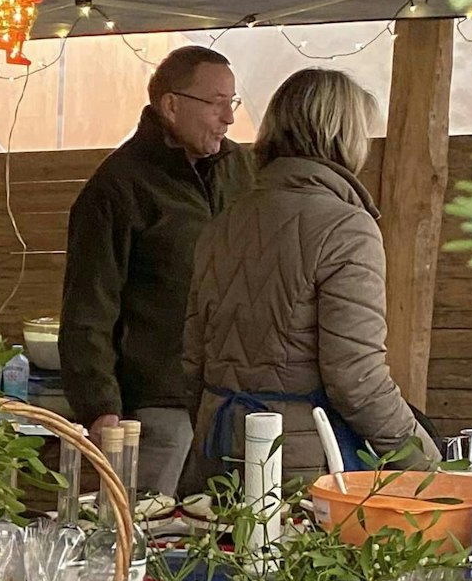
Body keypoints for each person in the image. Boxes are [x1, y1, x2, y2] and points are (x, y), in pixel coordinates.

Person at [180, 68, 436, 492]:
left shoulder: (224, 222)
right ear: (344, 134)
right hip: (301, 469)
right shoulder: (346, 228)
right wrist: (428, 466)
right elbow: (357, 380)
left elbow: (193, 362)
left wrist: (219, 423)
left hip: (215, 452)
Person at [61, 45, 254, 497]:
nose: (228, 117)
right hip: (159, 406)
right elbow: (88, 306)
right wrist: (100, 407)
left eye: (233, 102)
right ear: (171, 105)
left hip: (234, 399)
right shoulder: (117, 188)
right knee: (146, 531)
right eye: (217, 103)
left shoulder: (241, 168)